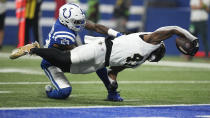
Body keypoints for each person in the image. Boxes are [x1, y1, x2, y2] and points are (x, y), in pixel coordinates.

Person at [10, 26, 199, 100]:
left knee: (66, 66)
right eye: (160, 55)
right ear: (159, 48)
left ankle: (111, 94)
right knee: (65, 60)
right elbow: (174, 29)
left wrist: (113, 81)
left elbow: (114, 71)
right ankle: (32, 48)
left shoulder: (139, 61)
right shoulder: (151, 40)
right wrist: (191, 38)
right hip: (100, 49)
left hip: (101, 61)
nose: (158, 58)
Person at [12, 3, 123, 101]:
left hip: (67, 57)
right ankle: (48, 90)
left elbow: (96, 27)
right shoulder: (63, 34)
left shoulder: (69, 21)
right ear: (66, 21)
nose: (81, 23)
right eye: (77, 21)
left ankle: (112, 93)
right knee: (64, 92)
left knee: (98, 61)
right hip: (52, 62)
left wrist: (117, 34)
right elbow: (75, 51)